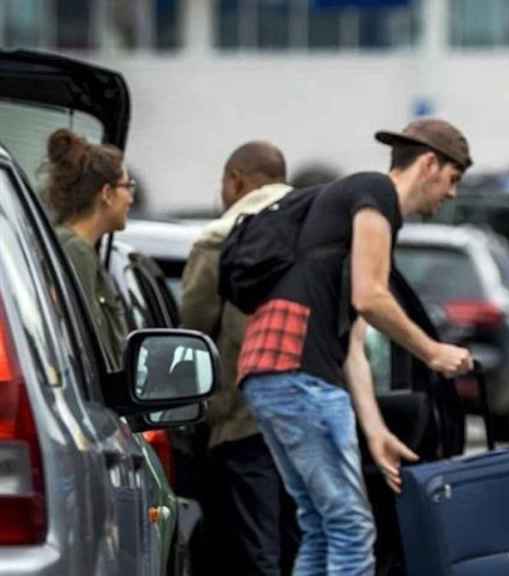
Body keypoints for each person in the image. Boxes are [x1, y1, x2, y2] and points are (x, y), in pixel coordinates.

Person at [236, 118, 475, 575]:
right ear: (428, 163)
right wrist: (432, 351)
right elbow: (371, 296)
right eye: (452, 178)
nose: (452, 194)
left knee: (323, 526)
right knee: (349, 528)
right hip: (297, 374)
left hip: (271, 372)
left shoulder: (355, 209)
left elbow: (353, 346)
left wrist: (376, 432)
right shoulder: (376, 195)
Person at [179, 141, 298, 575]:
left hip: (246, 421)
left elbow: (190, 337)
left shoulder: (220, 238)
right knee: (306, 544)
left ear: (236, 181)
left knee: (254, 551)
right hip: (314, 416)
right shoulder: (316, 232)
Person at [43, 128, 132, 364]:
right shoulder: (75, 251)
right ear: (107, 193)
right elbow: (86, 349)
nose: (131, 198)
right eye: (127, 186)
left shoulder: (75, 247)